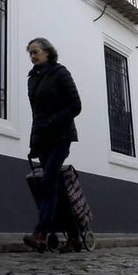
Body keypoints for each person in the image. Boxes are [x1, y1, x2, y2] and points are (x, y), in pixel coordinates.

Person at [23, 37, 82, 251]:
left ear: (48, 52)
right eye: (29, 53)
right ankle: (74, 235)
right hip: (44, 139)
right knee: (52, 185)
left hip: (61, 137)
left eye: (35, 51)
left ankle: (41, 233)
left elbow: (75, 105)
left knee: (48, 181)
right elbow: (36, 114)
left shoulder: (60, 73)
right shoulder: (32, 79)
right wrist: (34, 142)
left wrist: (52, 121)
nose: (32, 56)